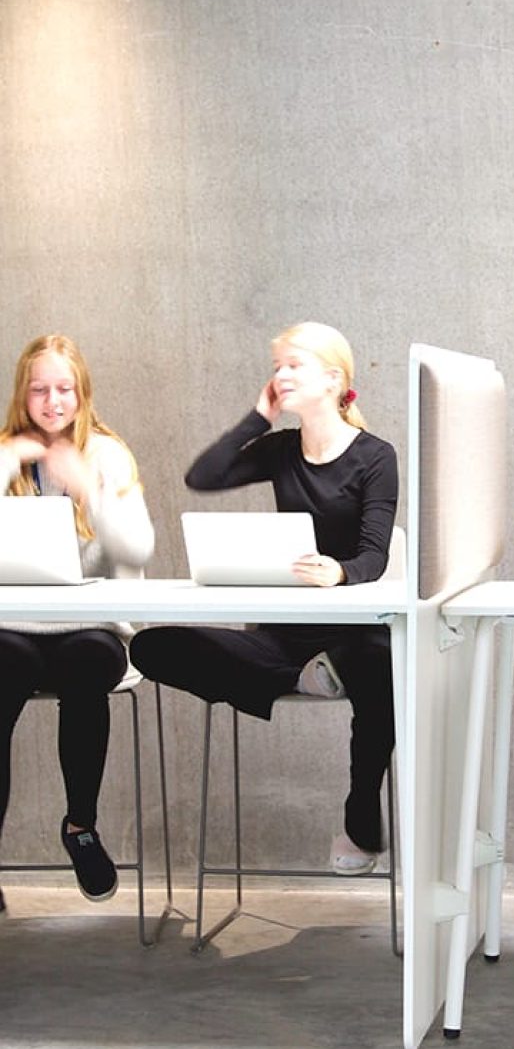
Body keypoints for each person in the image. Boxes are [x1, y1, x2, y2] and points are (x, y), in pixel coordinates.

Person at [130, 321, 398, 874]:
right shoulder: (280, 451)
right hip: (287, 638)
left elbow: (375, 556)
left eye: (293, 364)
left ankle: (360, 812)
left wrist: (340, 573)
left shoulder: (375, 456)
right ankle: (301, 676)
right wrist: (260, 416)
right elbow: (203, 475)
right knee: (150, 649)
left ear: (332, 378)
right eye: (277, 366)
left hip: (353, 640)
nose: (281, 374)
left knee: (382, 661)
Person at [0, 334, 155, 914]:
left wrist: (89, 489)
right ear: (23, 394)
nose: (52, 400)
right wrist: (10, 462)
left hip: (91, 628)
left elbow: (137, 548)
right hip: (14, 627)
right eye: (39, 389)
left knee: (87, 664)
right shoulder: (6, 454)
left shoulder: (107, 454)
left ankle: (80, 827)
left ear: (82, 393)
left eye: (64, 388)